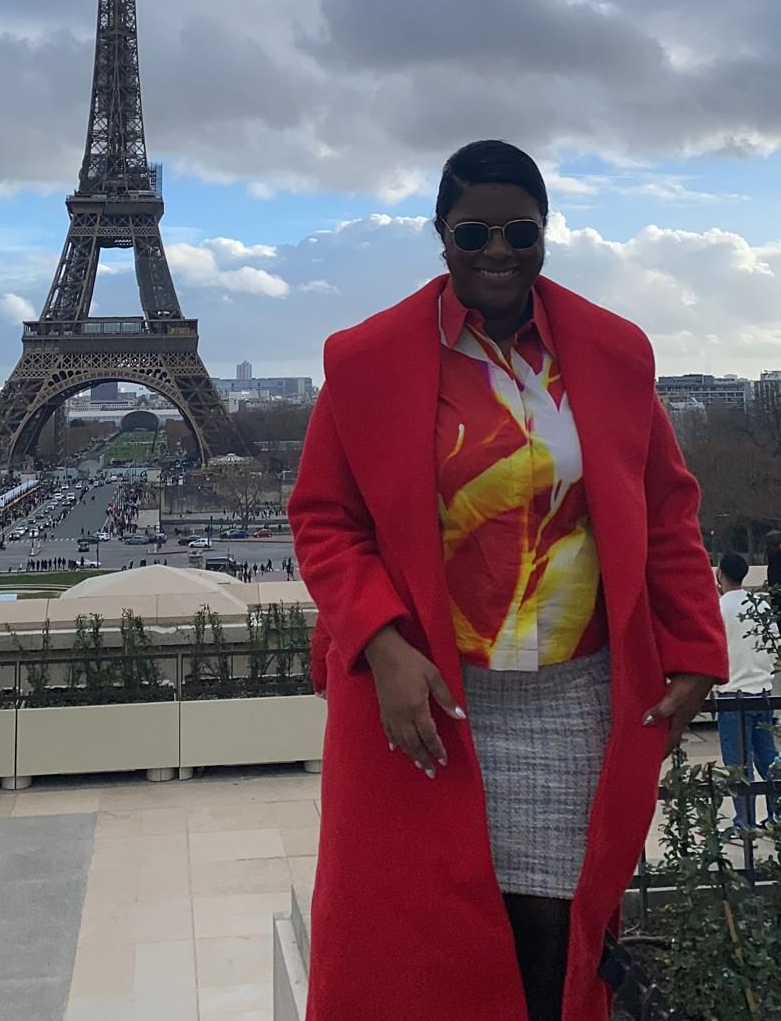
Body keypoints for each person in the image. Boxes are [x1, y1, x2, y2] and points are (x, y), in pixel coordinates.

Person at [288, 140, 728, 1021]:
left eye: (520, 232)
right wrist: (383, 646)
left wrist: (695, 648)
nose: (499, 250)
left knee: (554, 938)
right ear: (440, 234)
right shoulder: (367, 360)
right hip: (430, 699)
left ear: (546, 233)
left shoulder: (613, 352)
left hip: (574, 700)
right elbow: (325, 518)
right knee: (425, 944)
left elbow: (666, 509)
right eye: (474, 232)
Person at [716, 551, 781, 835]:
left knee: (738, 764)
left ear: (720, 574)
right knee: (768, 756)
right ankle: (777, 814)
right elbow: (774, 643)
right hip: (762, 690)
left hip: (733, 693)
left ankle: (744, 822)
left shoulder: (719, 609)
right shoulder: (760, 605)